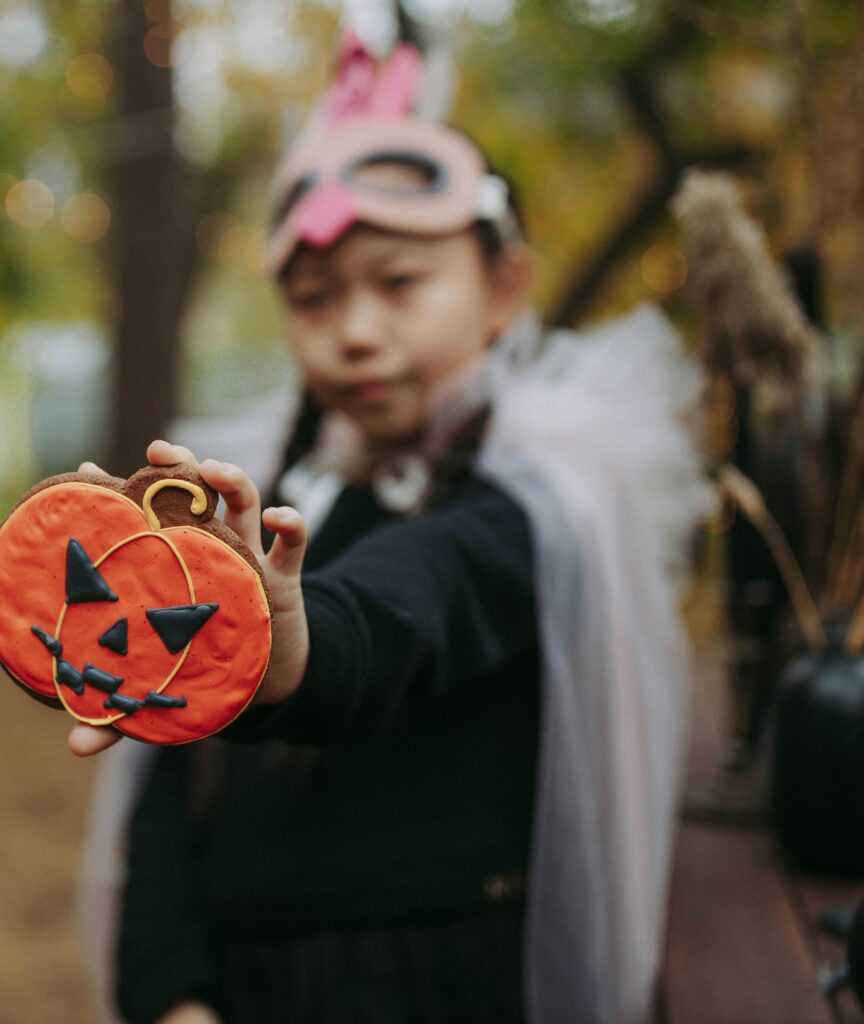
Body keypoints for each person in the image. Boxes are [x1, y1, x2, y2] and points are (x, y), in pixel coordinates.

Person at [70, 32, 709, 1024]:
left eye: (400, 282)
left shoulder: (537, 502)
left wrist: (284, 647)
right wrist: (169, 988)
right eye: (314, 299)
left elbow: (414, 597)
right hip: (239, 983)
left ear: (504, 287)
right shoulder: (274, 493)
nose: (356, 331)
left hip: (432, 983)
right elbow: (171, 781)